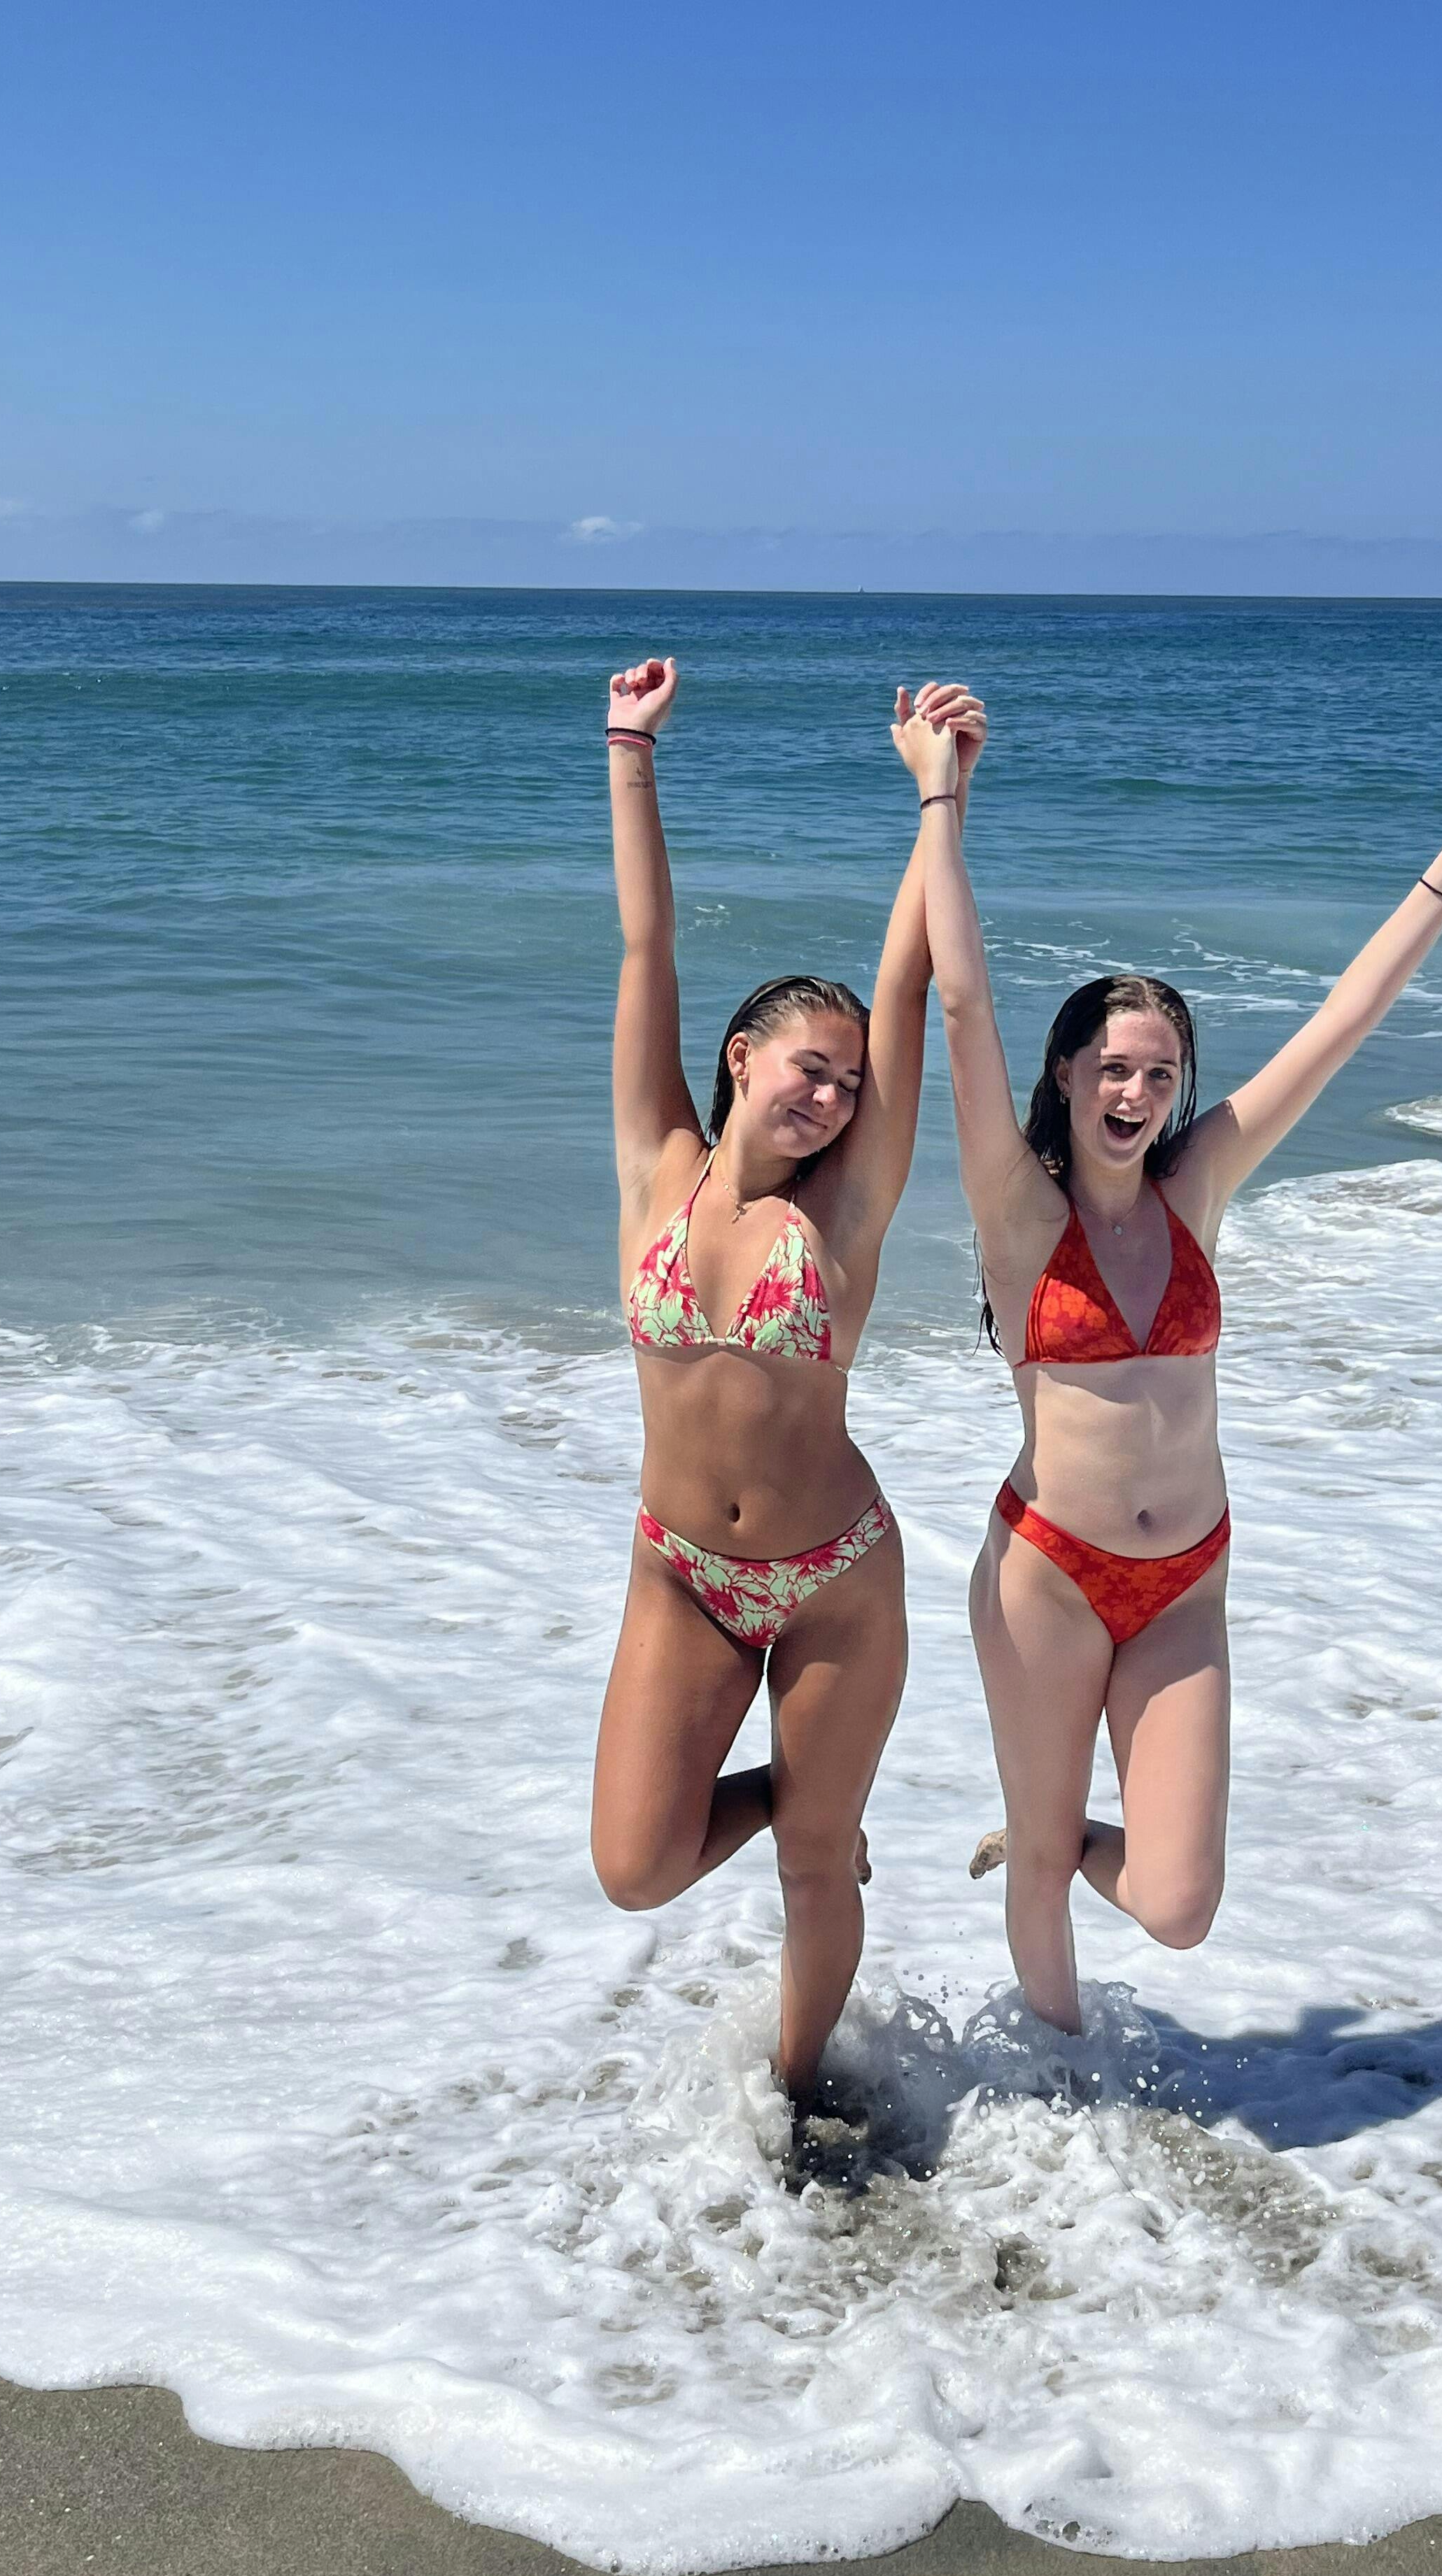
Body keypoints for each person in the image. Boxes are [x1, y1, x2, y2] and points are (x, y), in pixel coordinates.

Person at [892, 695, 1442, 2030]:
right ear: (1066, 1074)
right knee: (1046, 1875)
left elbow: (1341, 1023)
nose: (1136, 1094)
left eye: (1161, 1073)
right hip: (1048, 1573)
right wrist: (942, 796)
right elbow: (959, 1005)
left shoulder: (1196, 1192)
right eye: (1112, 1069)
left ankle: (1048, 1831)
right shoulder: (1020, 1216)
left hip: (1187, 1577)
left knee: (1179, 1904)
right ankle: (1058, 2079)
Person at [592, 657, 985, 2095]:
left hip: (834, 1580)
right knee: (636, 1868)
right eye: (810, 1069)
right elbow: (647, 946)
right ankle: (792, 1797)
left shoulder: (844, 1217)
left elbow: (911, 984)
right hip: (683, 1572)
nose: (831, 1097)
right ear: (743, 1058)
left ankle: (799, 2084)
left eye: (849, 1086)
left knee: (821, 1873)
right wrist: (631, 748)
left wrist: (940, 796)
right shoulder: (654, 1166)